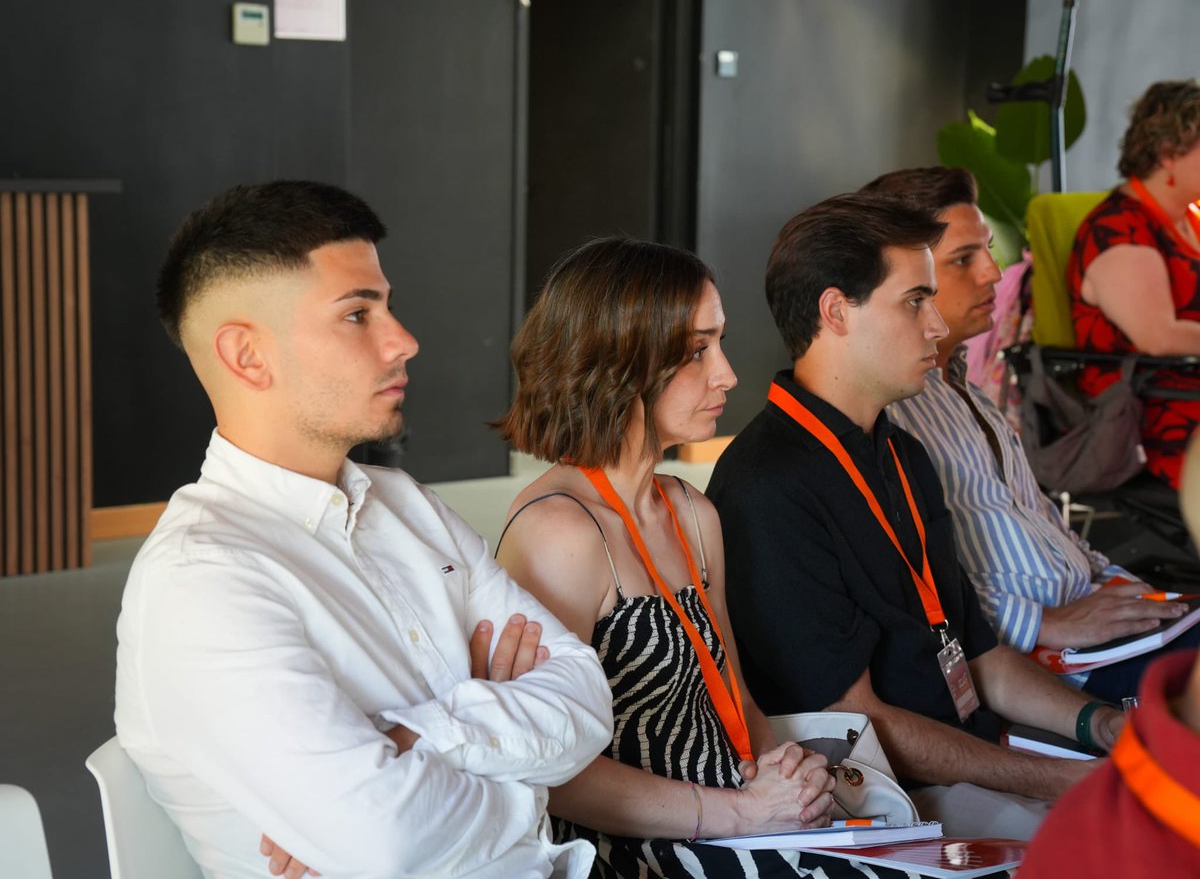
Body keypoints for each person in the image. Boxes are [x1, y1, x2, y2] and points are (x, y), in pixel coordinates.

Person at [114, 180, 613, 878]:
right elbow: (389, 842)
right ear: (247, 356)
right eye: (357, 314)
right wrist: (520, 781)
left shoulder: (404, 502)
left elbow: (587, 703)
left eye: (388, 306)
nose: (403, 339)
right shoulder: (202, 579)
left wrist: (421, 734)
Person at [707, 193, 1125, 840]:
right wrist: (1061, 779)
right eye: (914, 301)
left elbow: (978, 656)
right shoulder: (766, 488)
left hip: (979, 752)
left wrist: (1100, 726)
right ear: (836, 310)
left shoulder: (901, 452)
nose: (936, 325)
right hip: (889, 798)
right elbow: (859, 721)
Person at [493, 237, 910, 879]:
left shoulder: (692, 511)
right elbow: (553, 772)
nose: (728, 374)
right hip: (641, 850)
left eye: (718, 343)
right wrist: (742, 813)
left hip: (739, 820)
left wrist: (781, 767)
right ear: (619, 363)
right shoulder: (561, 531)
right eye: (697, 350)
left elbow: (733, 701)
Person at [863, 166, 1196, 705]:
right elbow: (910, 579)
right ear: (906, 278)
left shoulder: (965, 395)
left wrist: (1119, 584)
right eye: (963, 260)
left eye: (988, 251)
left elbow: (1043, 524)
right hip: (1034, 660)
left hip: (1089, 617)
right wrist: (1043, 623)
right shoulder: (888, 413)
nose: (995, 274)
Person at [1021, 433, 1200, 877]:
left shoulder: (1079, 842)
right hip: (1055, 648)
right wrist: (1040, 622)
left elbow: (1055, 529)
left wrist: (1117, 583)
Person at [1067, 78, 1200, 489]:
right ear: (1168, 154)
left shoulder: (1189, 218)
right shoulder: (1119, 229)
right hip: (1157, 411)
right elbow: (1159, 337)